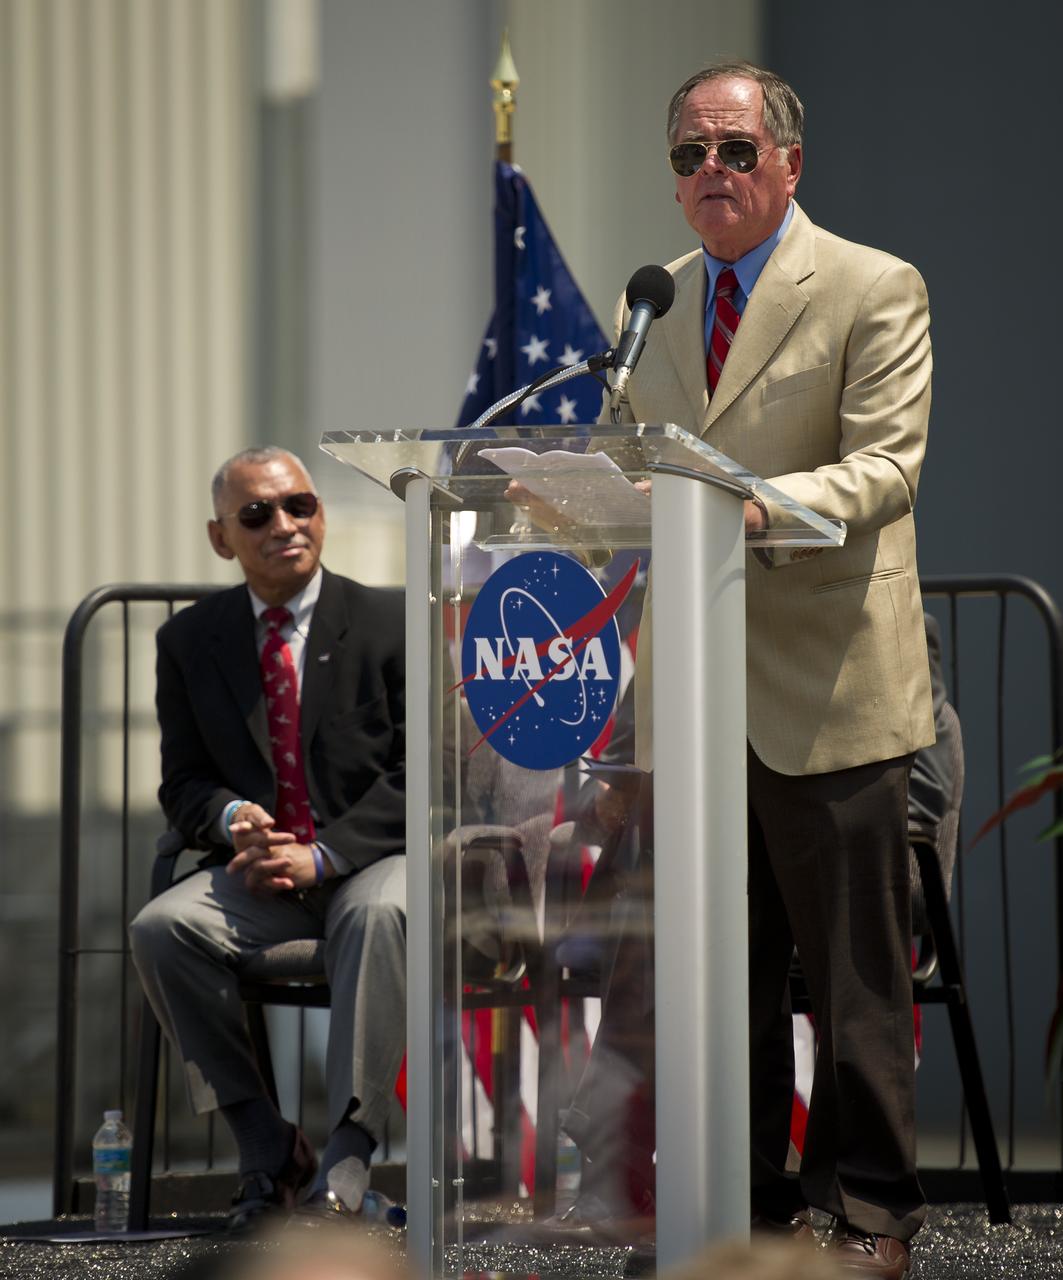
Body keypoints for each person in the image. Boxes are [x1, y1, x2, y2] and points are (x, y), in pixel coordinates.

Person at [607, 62, 935, 1277]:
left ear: (790, 162)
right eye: (689, 154)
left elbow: (886, 466)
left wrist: (741, 506)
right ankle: (739, 1216)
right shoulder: (657, 304)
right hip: (699, 694)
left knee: (849, 981)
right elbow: (633, 465)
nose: (710, 174)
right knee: (718, 978)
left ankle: (870, 1212)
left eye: (735, 150)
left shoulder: (867, 284)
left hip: (831, 679)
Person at [130, 446, 406, 1234]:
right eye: (257, 515)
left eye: (301, 507)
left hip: (371, 864)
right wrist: (230, 819)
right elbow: (181, 781)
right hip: (258, 879)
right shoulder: (191, 642)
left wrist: (321, 855)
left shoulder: (388, 621)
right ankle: (266, 1147)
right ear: (222, 539)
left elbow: (427, 773)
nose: (284, 526)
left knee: (380, 916)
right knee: (162, 927)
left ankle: (347, 1161)